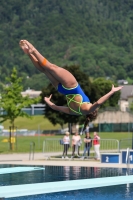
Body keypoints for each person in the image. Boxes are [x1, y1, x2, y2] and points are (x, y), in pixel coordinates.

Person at [19, 40, 123, 128]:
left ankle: (34, 50)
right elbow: (55, 107)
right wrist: (47, 101)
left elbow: (99, 102)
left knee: (51, 67)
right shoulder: (74, 112)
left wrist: (112, 92)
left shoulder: (88, 109)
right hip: (61, 89)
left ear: (92, 112)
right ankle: (29, 54)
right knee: (45, 70)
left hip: (71, 86)